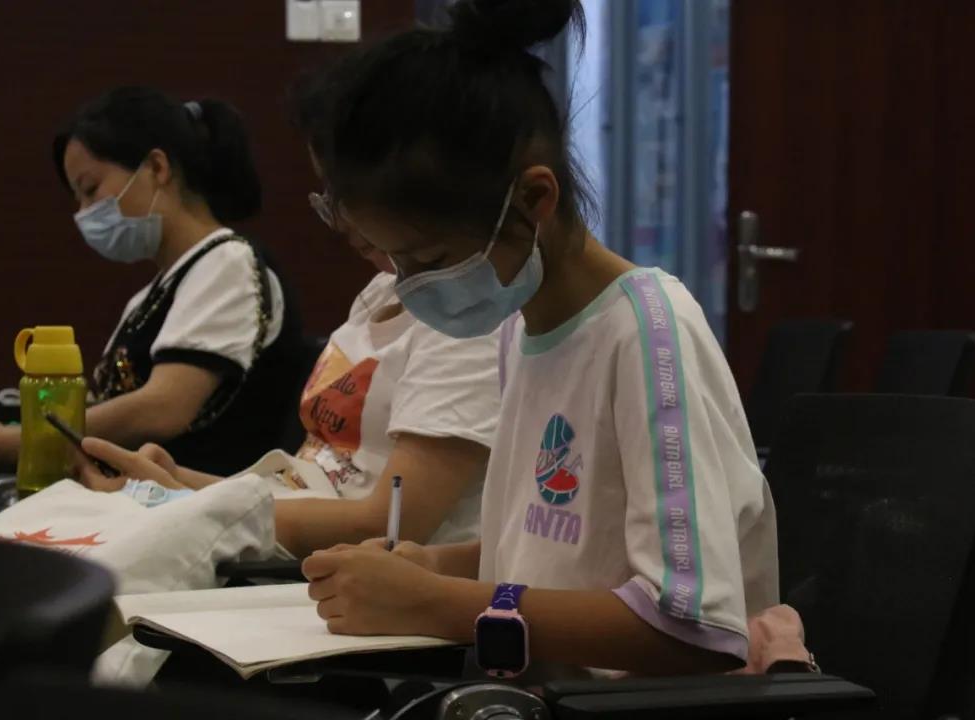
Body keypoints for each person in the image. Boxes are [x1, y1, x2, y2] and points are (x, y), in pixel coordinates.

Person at [292, 0, 779, 678]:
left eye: (430, 259)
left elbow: (690, 627)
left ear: (534, 201)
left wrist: (437, 603)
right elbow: (563, 555)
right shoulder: (520, 331)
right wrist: (434, 566)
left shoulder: (647, 335)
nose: (411, 286)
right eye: (395, 261)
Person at [76, 146, 502, 558]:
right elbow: (306, 486)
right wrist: (178, 481)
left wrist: (189, 504)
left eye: (91, 189)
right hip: (289, 547)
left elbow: (385, 527)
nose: (338, 213)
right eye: (329, 189)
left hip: (350, 571)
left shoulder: (466, 321)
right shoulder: (379, 292)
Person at [0, 87, 300, 476]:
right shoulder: (149, 298)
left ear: (157, 168)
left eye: (91, 190)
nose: (84, 214)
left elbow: (162, 408)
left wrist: (11, 443)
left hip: (202, 502)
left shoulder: (227, 263)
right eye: (77, 199)